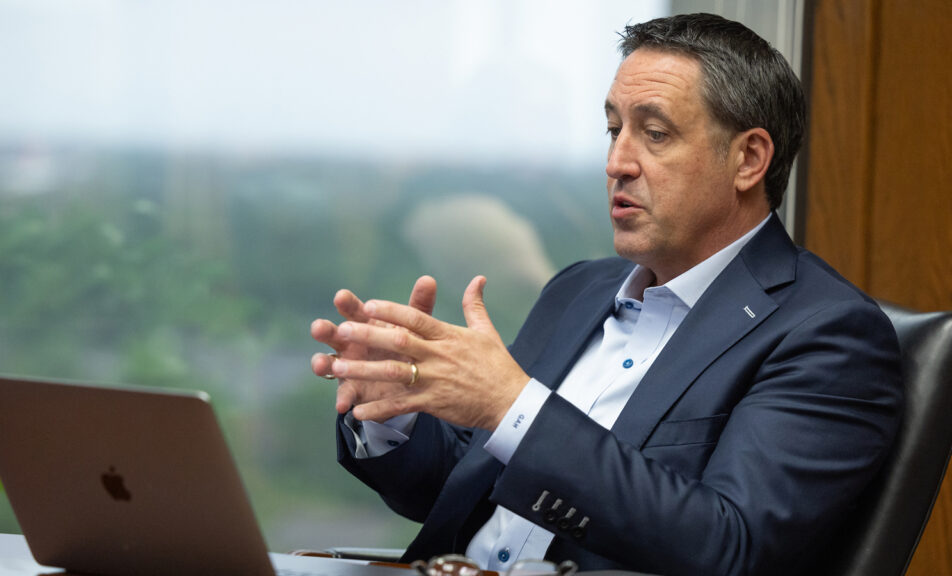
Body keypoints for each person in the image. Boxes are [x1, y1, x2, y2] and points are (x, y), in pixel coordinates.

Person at [309, 13, 902, 576]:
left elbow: (730, 547)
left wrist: (511, 407)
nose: (617, 162)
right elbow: (463, 488)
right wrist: (394, 416)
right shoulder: (578, 289)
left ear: (748, 159)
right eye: (614, 129)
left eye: (655, 133)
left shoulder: (828, 334)